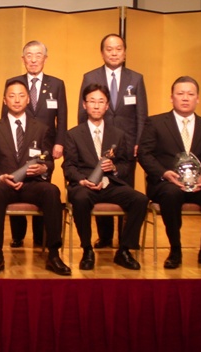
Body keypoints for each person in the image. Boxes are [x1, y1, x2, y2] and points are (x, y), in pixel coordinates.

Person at [0, 79, 70, 276]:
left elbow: (48, 161)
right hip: (5, 184)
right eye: (11, 96)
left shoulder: (41, 128)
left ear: (28, 99)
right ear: (4, 100)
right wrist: (0, 177)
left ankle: (54, 254)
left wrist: (43, 168)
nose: (16, 100)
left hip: (32, 184)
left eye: (21, 96)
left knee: (52, 191)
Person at [137, 76, 201, 270]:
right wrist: (164, 173)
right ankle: (175, 250)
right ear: (172, 98)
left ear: (197, 99)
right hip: (166, 183)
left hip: (199, 183)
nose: (185, 98)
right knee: (171, 194)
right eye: (180, 94)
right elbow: (144, 154)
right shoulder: (156, 122)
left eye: (190, 94)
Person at [63, 83, 148, 270]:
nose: (96, 105)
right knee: (80, 199)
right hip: (85, 185)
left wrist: (115, 168)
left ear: (107, 106)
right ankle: (87, 249)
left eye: (101, 101)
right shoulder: (73, 134)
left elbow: (126, 165)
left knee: (140, 200)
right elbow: (68, 166)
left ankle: (124, 250)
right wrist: (82, 180)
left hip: (111, 184)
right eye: (92, 101)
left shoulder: (118, 134)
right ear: (84, 105)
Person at [77, 34, 148, 249]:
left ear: (124, 52)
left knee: (125, 188)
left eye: (118, 49)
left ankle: (127, 240)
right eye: (109, 49)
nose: (114, 53)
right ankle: (105, 237)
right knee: (100, 185)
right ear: (102, 53)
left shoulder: (136, 78)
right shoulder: (90, 76)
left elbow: (142, 114)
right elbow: (83, 112)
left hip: (127, 144)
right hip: (99, 140)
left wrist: (139, 142)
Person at [3, 40, 67, 248]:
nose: (33, 59)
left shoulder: (56, 84)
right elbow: (4, 116)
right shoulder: (14, 82)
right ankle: (18, 235)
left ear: (45, 59)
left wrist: (59, 143)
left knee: (43, 187)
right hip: (18, 142)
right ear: (23, 59)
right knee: (18, 182)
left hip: (45, 145)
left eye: (38, 55)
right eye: (29, 55)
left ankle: (41, 237)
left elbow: (62, 117)